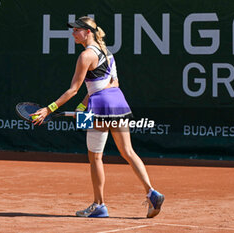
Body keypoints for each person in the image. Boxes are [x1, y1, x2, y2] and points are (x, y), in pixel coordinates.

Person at [31, 16, 164, 218]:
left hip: (101, 106)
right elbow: (112, 84)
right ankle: (152, 192)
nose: (73, 33)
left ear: (88, 32)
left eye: (77, 30)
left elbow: (73, 89)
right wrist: (84, 106)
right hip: (118, 103)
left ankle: (99, 204)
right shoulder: (108, 53)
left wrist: (49, 109)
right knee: (128, 151)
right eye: (73, 30)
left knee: (95, 157)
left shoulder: (85, 56)